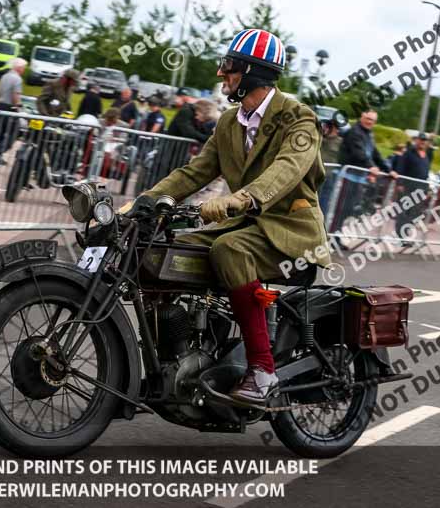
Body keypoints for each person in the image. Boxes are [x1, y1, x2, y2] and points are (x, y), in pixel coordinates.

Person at [121, 29, 330, 405]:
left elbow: (287, 168)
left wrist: (242, 199)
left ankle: (263, 371)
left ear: (252, 71)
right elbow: (195, 172)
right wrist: (144, 202)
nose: (222, 74)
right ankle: (169, 360)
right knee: (157, 249)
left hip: (290, 230)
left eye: (230, 66)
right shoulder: (230, 122)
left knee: (230, 250)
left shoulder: (300, 118)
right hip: (245, 223)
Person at [330, 109, 397, 241]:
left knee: (349, 210)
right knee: (340, 210)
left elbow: (375, 154)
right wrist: (371, 166)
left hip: (359, 178)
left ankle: (335, 237)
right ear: (362, 117)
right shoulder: (354, 132)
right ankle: (331, 237)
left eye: (372, 120)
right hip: (347, 177)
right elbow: (358, 152)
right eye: (367, 119)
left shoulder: (369, 134)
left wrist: (389, 170)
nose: (369, 122)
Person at [393, 134, 432, 242]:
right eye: (421, 140)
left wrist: (427, 188)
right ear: (417, 140)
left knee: (415, 213)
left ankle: (405, 234)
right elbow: (400, 168)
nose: (423, 142)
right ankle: (401, 237)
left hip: (420, 189)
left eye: (425, 140)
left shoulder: (426, 155)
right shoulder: (408, 153)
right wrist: (400, 183)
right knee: (403, 212)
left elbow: (425, 174)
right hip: (407, 187)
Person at [0, 57, 27, 165]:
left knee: (1, 132)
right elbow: (16, 94)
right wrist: (18, 106)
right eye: (23, 68)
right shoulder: (17, 79)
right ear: (19, 68)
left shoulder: (4, 76)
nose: (24, 70)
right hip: (10, 107)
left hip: (0, 105)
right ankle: (0, 151)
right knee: (15, 131)